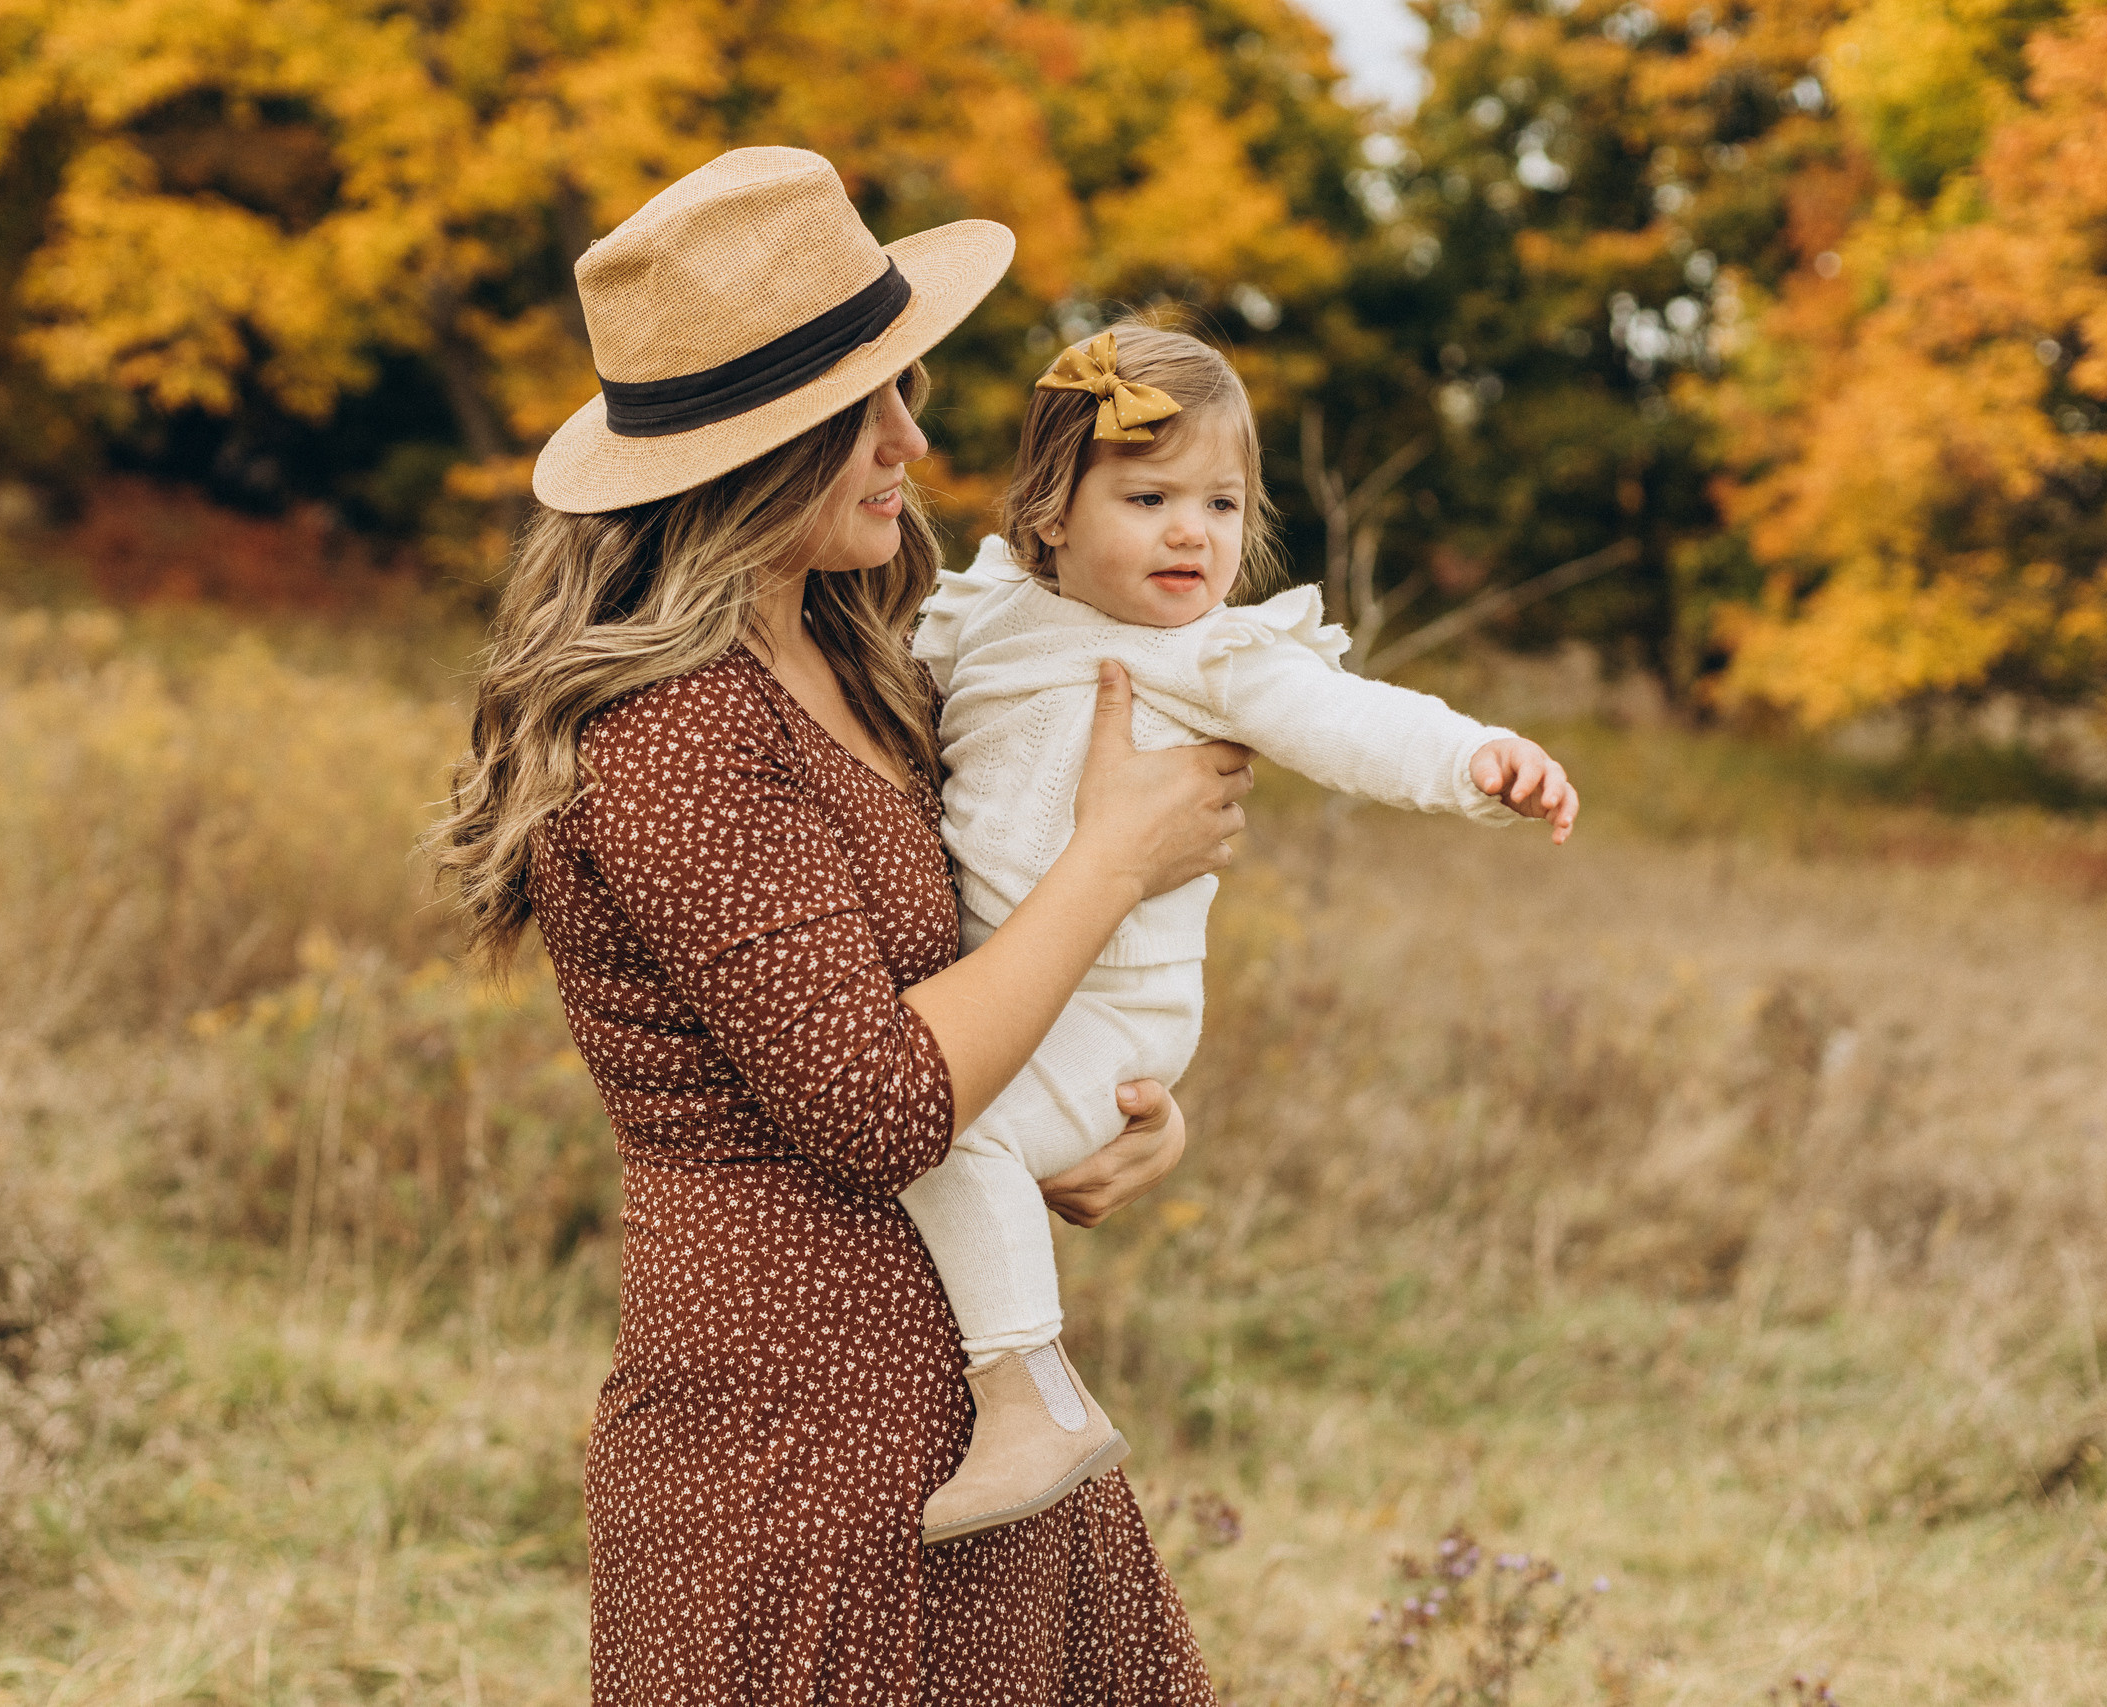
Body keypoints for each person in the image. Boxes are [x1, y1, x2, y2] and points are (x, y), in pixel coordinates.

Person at [437, 149, 1248, 1703]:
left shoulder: (859, 653)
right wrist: (1115, 857)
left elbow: (965, 988)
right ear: (756, 449)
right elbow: (875, 1098)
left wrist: (1122, 1108)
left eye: (905, 390)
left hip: (978, 1393)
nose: (911, 441)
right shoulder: (677, 730)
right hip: (794, 1422)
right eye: (865, 408)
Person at [898, 323, 1580, 1546]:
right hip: (1011, 979)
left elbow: (1348, 720)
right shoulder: (989, 615)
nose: (1191, 534)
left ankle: (1030, 1399)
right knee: (940, 1108)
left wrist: (1476, 760)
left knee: (941, 1123)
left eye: (1220, 503)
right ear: (1049, 512)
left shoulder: (1210, 655)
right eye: (1148, 498)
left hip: (1111, 1008)